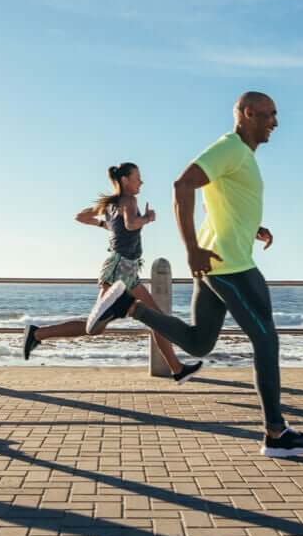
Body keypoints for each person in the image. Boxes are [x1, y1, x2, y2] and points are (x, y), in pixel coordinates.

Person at [84, 92, 303, 458]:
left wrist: (252, 228)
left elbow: (227, 204)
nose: (275, 122)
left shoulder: (241, 155)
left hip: (219, 260)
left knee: (199, 343)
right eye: (269, 115)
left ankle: (128, 308)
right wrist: (192, 248)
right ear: (248, 113)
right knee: (266, 340)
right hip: (229, 265)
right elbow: (182, 186)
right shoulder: (230, 148)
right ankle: (276, 434)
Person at [22, 163, 203, 384]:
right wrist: (147, 218)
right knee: (94, 328)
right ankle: (37, 334)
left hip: (129, 270)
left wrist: (107, 224)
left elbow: (81, 217)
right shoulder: (129, 200)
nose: (141, 182)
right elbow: (131, 224)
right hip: (119, 270)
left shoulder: (111, 204)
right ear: (125, 180)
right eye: (137, 178)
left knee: (157, 320)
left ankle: (177, 369)